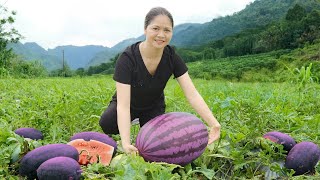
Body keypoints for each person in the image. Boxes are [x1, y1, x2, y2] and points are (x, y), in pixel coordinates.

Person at [99, 7, 221, 154]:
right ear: (145, 29)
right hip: (129, 105)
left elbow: (192, 94)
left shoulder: (171, 57)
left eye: (167, 30)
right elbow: (123, 106)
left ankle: (144, 122)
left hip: (153, 106)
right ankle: (132, 121)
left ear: (172, 33)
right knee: (107, 123)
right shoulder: (127, 58)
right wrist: (126, 143)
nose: (161, 35)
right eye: (155, 28)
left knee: (159, 143)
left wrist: (214, 124)